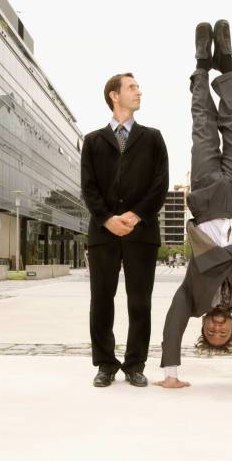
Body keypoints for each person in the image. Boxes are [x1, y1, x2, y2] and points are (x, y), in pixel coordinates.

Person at [155, 20, 232, 391]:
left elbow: (172, 326)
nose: (216, 326)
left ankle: (200, 66)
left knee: (203, 129)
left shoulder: (192, 298)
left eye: (210, 331)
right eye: (221, 332)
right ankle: (226, 64)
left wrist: (171, 375)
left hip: (208, 198)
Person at [81, 72, 169, 387]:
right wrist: (107, 219)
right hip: (103, 233)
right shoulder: (92, 141)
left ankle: (135, 364)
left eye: (138, 87)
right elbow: (88, 188)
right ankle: (105, 364)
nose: (139, 92)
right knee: (101, 300)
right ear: (114, 95)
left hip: (141, 232)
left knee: (139, 301)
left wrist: (135, 215)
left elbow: (161, 185)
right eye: (132, 87)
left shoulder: (153, 137)